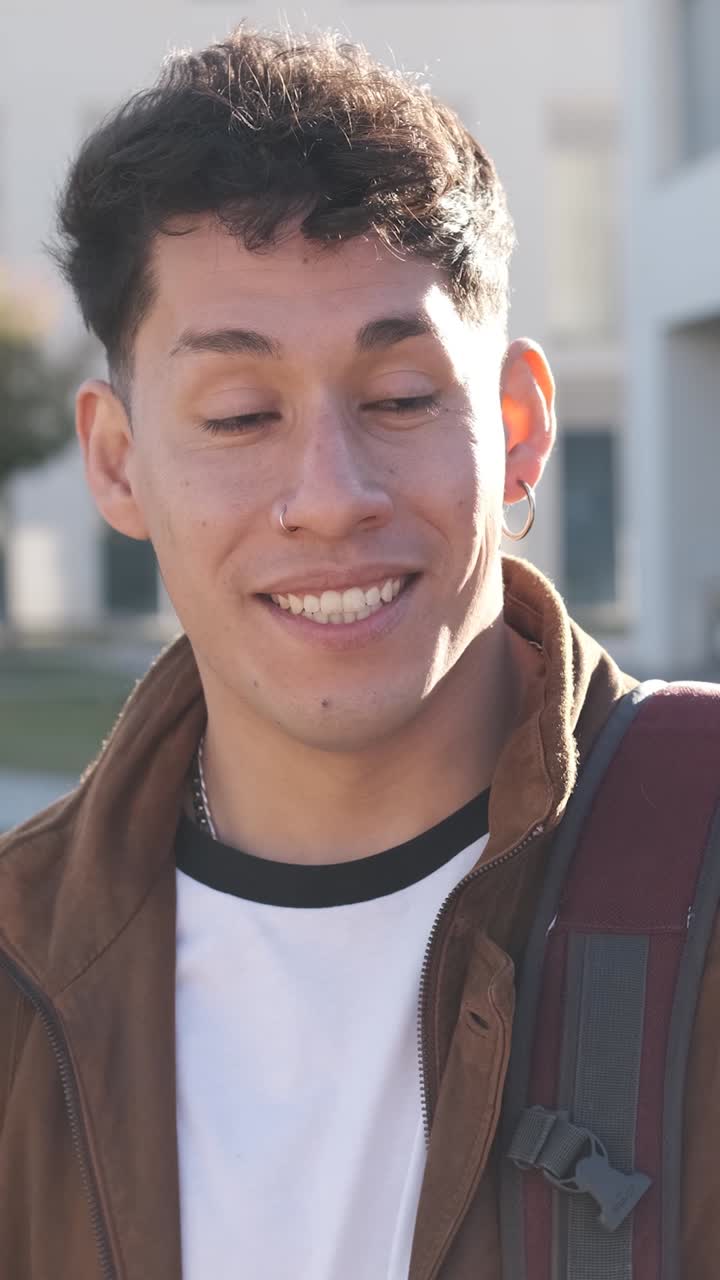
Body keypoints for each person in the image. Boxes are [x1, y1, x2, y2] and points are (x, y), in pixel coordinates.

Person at [0, 23, 716, 1280]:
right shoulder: (21, 969)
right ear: (117, 461)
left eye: (398, 398)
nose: (329, 496)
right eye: (239, 414)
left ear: (518, 424)